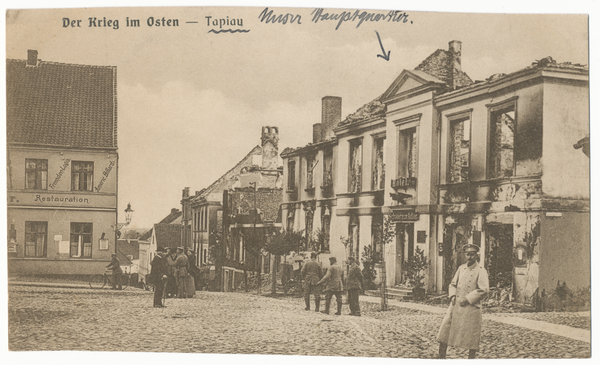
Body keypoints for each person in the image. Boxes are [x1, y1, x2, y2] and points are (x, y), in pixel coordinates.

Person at [437, 244, 489, 359]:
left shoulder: (481, 270)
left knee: (471, 336)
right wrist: (452, 296)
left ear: (476, 255)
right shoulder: (461, 268)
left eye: (472, 254)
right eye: (468, 254)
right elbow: (453, 284)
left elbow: (484, 290)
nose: (469, 257)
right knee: (445, 330)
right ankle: (441, 357)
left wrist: (468, 299)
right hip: (456, 305)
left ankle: (471, 358)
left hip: (471, 307)